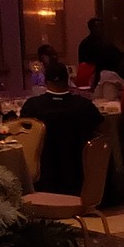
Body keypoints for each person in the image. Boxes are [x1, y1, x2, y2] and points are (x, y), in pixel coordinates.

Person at [22, 62, 105, 195]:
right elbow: (101, 132)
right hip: (78, 177)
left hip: (44, 179)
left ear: (46, 81)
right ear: (67, 80)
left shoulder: (32, 107)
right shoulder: (85, 106)